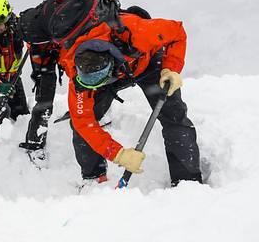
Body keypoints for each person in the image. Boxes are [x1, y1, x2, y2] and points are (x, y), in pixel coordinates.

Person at [60, 12, 202, 188]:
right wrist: (118, 154)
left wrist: (170, 69)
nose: (90, 85)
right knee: (81, 125)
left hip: (147, 63)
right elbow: (83, 121)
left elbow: (177, 31)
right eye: (87, 81)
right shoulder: (81, 77)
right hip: (109, 76)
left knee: (173, 114)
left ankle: (187, 182)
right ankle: (94, 179)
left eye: (95, 80)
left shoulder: (139, 33)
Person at [18, 41, 61, 166]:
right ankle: (35, 142)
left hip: (56, 46)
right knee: (45, 97)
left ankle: (90, 115)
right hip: (45, 49)